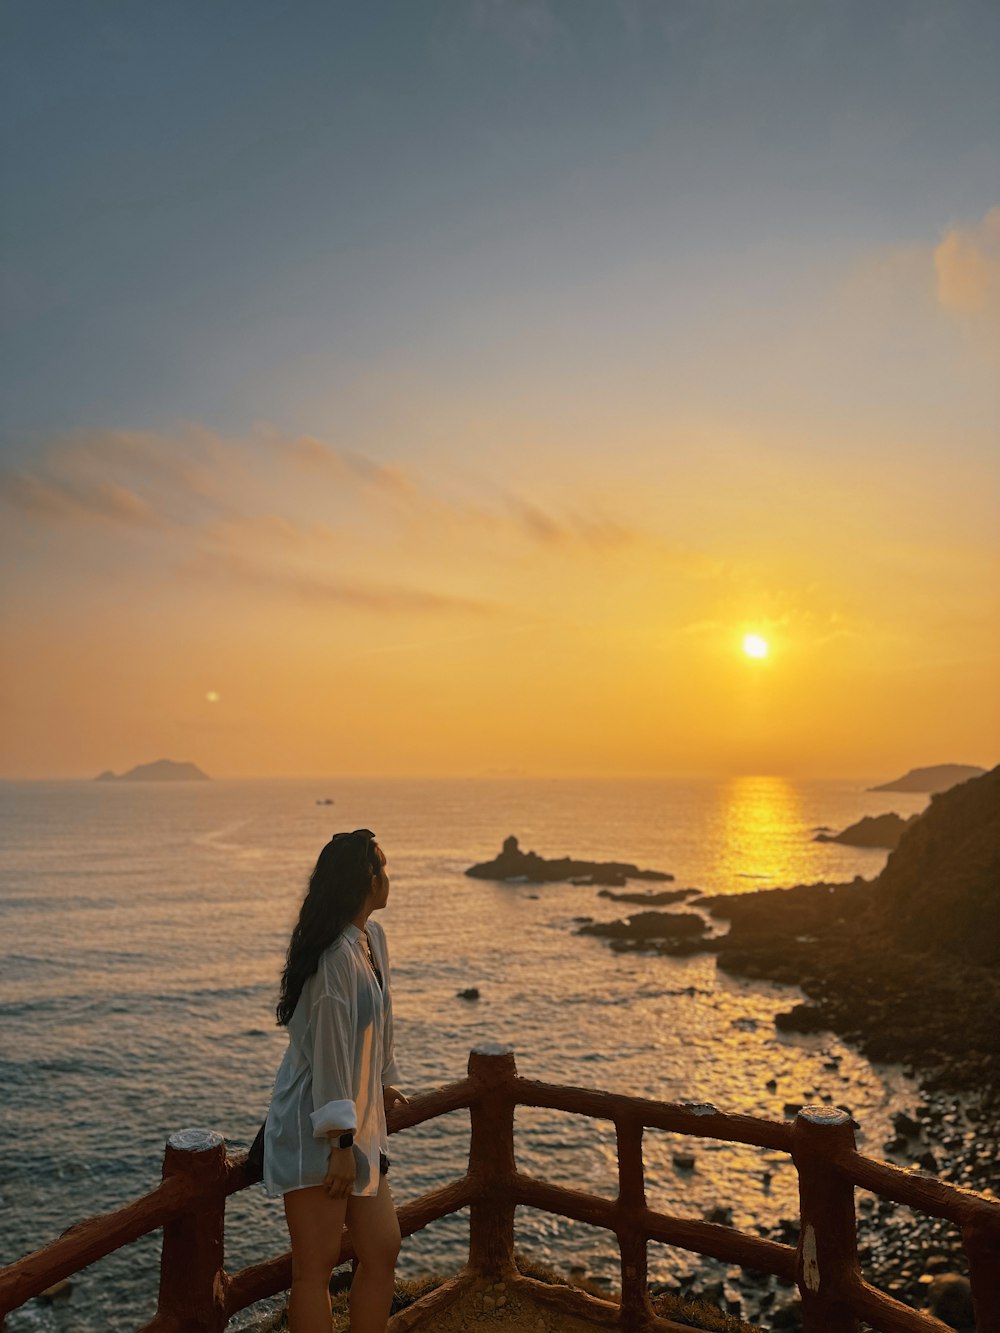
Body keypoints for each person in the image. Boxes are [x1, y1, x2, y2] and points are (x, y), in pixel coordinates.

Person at [263, 829, 408, 1333]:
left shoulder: (371, 941)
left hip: (356, 1120)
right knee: (316, 1267)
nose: (389, 879)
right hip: (317, 1128)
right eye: (384, 869)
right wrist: (341, 1142)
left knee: (382, 1248)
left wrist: (385, 1082)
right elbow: (329, 1056)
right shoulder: (333, 961)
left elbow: (378, 1025)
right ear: (368, 880)